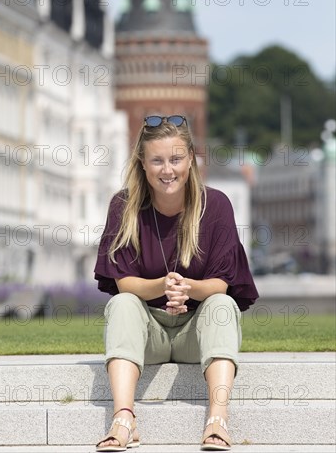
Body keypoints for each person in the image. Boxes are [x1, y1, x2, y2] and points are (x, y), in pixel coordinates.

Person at [94, 115, 259, 452]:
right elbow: (124, 282)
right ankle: (124, 418)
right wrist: (162, 286)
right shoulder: (123, 206)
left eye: (176, 159)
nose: (167, 170)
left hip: (196, 335)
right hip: (149, 333)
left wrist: (188, 289)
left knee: (222, 306)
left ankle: (218, 419)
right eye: (157, 160)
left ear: (191, 160)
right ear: (143, 163)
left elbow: (222, 284)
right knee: (122, 303)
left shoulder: (215, 205)